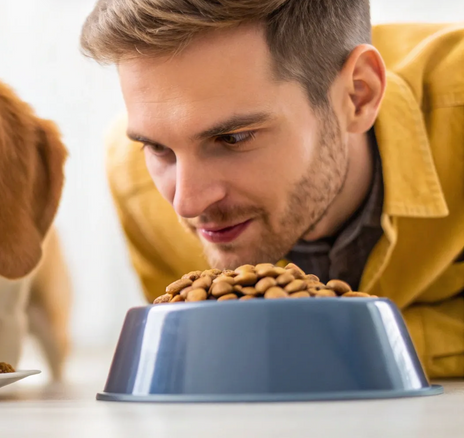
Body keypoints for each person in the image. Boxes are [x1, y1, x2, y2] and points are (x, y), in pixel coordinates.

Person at [80, 0, 464, 378]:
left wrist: (355, 342)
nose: (186, 202)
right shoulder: (133, 179)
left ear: (357, 96)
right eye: (159, 147)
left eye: (233, 138)